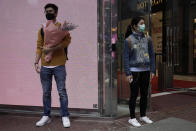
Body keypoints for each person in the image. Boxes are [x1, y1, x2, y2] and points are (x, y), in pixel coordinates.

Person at [34, 3, 71, 128]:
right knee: (46, 92)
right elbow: (39, 46)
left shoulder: (62, 27)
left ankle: (65, 115)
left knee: (62, 91)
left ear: (56, 13)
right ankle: (46, 115)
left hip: (59, 64)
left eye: (50, 11)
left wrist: (55, 47)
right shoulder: (42, 29)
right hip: (45, 65)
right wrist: (35, 62)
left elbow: (67, 41)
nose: (48, 13)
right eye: (46, 11)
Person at [123, 16, 155, 127]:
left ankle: (143, 115)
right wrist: (128, 73)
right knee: (134, 95)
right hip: (134, 71)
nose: (143, 25)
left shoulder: (148, 38)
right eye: (141, 23)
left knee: (145, 94)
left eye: (143, 23)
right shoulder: (128, 40)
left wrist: (152, 70)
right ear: (134, 26)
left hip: (146, 70)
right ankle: (132, 118)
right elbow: (125, 57)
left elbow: (152, 55)